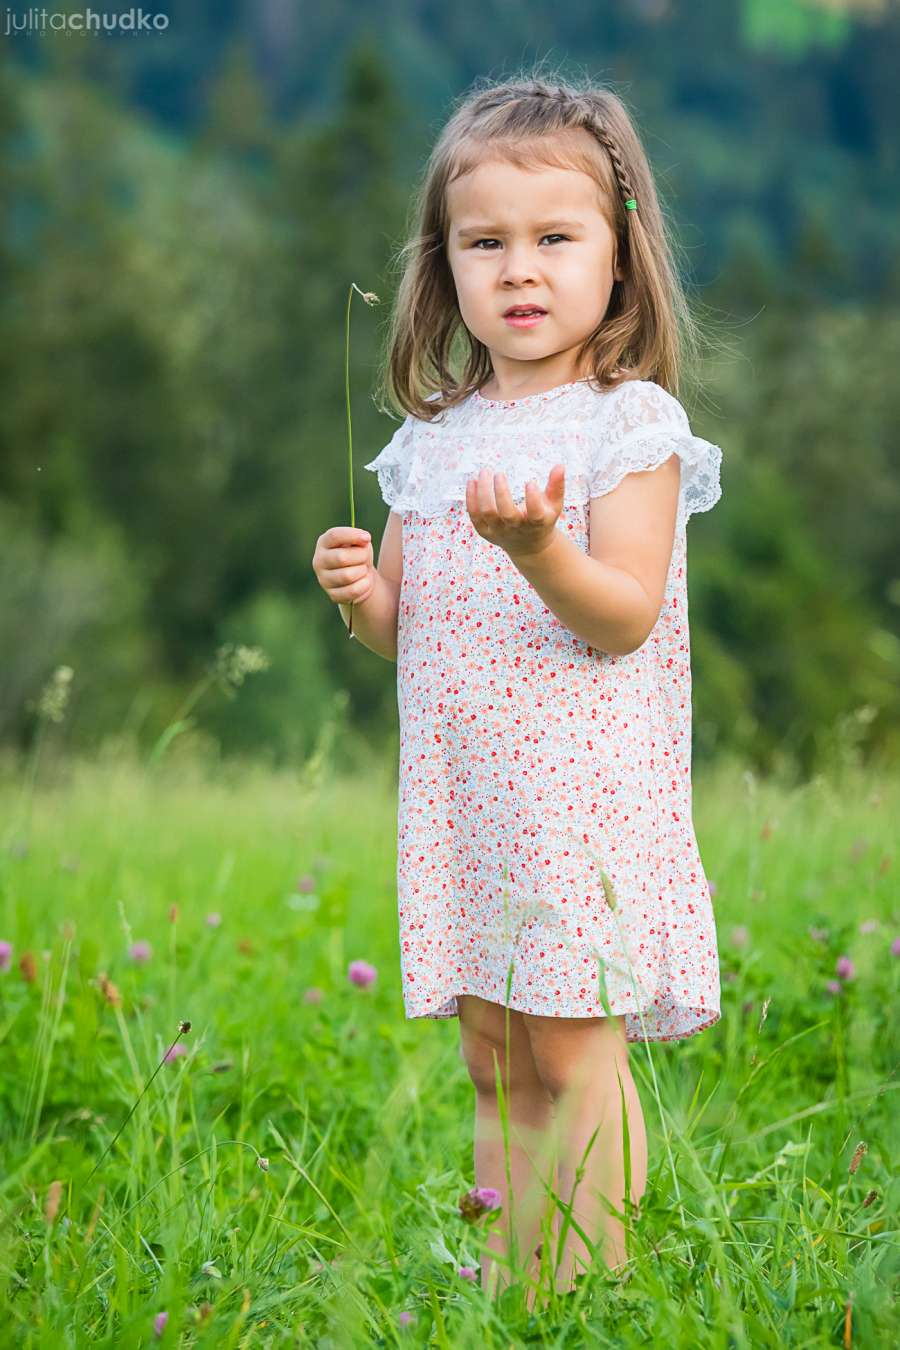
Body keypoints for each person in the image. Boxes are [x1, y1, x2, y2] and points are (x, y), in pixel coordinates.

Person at [312, 73, 725, 1308]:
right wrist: (357, 601)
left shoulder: (627, 424)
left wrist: (543, 550)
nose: (519, 269)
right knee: (493, 1053)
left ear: (620, 252)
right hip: (466, 794)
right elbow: (408, 627)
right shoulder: (433, 436)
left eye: (555, 237)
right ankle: (514, 1279)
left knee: (569, 1039)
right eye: (484, 242)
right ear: (444, 266)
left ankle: (595, 1285)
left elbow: (626, 614)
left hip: (580, 794)